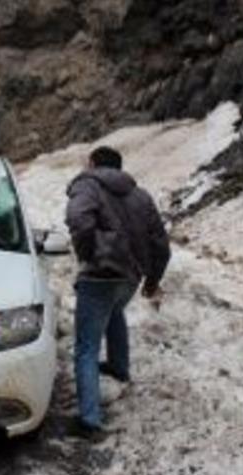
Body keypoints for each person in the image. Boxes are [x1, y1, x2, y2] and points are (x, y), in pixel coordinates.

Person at [65, 146, 171, 438]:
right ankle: (118, 367)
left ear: (93, 164)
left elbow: (78, 219)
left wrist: (87, 254)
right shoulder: (141, 196)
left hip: (99, 275)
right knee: (114, 311)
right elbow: (161, 244)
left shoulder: (88, 185)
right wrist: (152, 281)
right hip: (130, 277)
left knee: (86, 348)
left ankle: (89, 420)